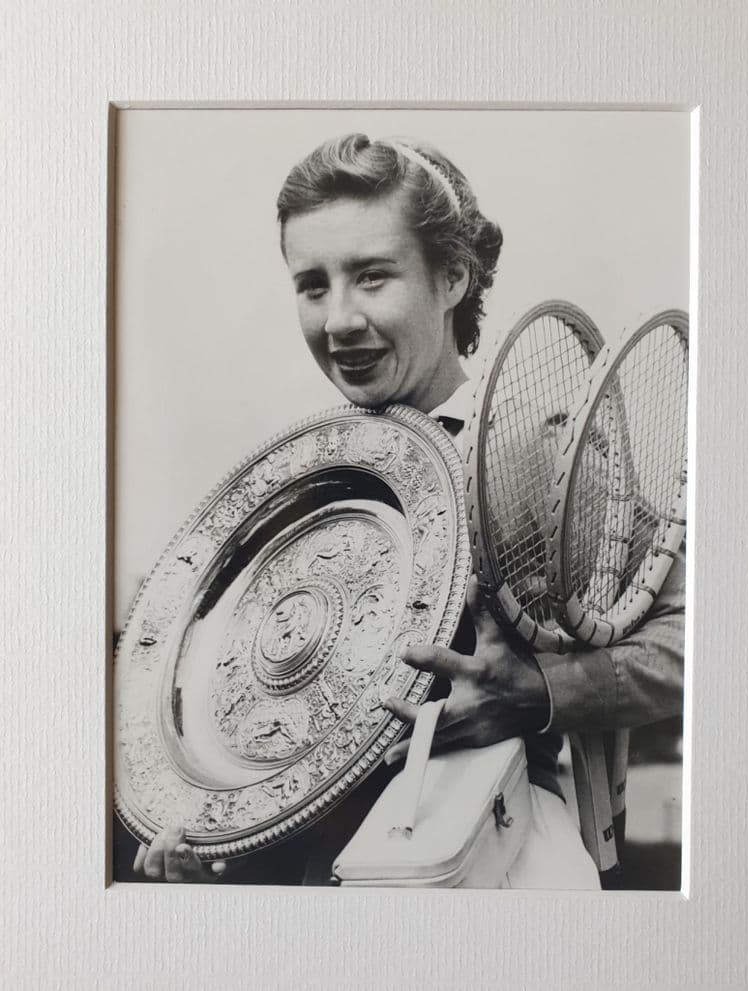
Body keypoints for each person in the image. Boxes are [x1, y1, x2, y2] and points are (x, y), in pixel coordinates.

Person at [132, 133, 684, 887]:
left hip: (502, 878)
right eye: (313, 284)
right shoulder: (312, 483)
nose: (339, 320)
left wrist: (540, 694)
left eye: (372, 276)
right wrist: (219, 857)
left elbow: (701, 643)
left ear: (452, 275)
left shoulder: (530, 445)